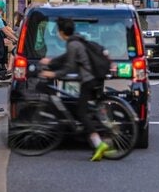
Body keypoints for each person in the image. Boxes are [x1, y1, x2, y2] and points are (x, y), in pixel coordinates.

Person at [39, 17, 111, 162]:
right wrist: (51, 62)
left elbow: (69, 66)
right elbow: (66, 57)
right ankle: (98, 138)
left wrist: (52, 73)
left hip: (89, 80)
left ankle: (99, 143)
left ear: (61, 32)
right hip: (93, 78)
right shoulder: (76, 40)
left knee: (81, 112)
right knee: (86, 110)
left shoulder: (73, 44)